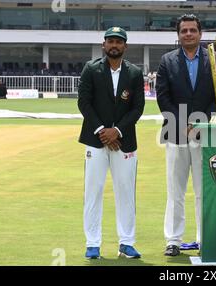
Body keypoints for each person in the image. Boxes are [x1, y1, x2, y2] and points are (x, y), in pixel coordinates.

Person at [78, 26, 145, 259]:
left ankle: (126, 242)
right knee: (93, 192)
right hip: (95, 141)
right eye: (110, 41)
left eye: (119, 41)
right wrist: (102, 132)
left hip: (124, 142)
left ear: (125, 46)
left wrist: (116, 131)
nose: (114, 45)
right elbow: (84, 103)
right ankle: (92, 243)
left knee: (126, 193)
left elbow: (138, 108)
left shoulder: (135, 73)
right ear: (103, 45)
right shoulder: (91, 69)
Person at [156, 14, 216, 257]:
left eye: (193, 30)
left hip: (206, 132)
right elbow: (163, 96)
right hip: (175, 131)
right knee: (175, 191)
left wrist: (203, 121)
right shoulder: (167, 61)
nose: (188, 34)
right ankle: (174, 240)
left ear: (200, 33)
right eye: (184, 31)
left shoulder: (213, 59)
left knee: (204, 191)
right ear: (178, 34)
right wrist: (181, 122)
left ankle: (205, 239)